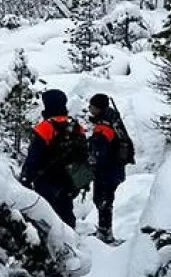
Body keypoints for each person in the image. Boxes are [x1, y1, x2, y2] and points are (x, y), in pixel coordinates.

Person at [21, 89, 88, 228]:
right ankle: (71, 243)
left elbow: (34, 157)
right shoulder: (76, 127)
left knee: (46, 217)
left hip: (48, 180)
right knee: (66, 212)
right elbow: (84, 154)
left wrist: (25, 178)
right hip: (71, 179)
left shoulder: (45, 127)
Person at [88, 93, 132, 244]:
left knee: (103, 200)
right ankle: (104, 230)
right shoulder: (113, 120)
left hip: (107, 170)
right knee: (104, 200)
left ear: (98, 107)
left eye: (92, 106)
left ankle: (105, 232)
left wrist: (92, 163)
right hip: (114, 169)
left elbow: (100, 151)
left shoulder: (104, 126)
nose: (89, 109)